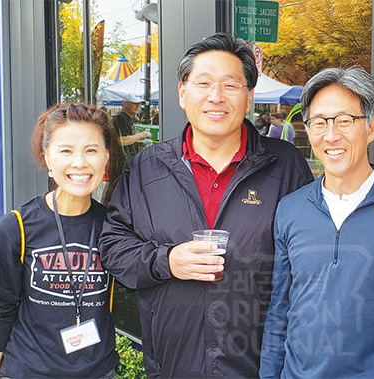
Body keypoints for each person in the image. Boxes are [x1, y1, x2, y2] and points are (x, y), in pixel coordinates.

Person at [99, 33, 313, 378]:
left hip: (261, 368)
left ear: (249, 98)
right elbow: (113, 246)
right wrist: (166, 260)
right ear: (183, 93)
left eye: (231, 85)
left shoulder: (285, 166)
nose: (216, 97)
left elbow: (310, 263)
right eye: (203, 84)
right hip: (171, 365)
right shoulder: (146, 167)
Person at [260, 67, 374, 379]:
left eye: (344, 121)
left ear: (371, 128)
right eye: (319, 123)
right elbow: (280, 308)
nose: (331, 136)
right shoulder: (290, 209)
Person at [0, 103, 119, 378]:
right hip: (27, 371)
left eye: (91, 150)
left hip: (98, 372)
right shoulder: (16, 227)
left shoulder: (114, 227)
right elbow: (1, 310)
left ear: (106, 157)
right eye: (66, 150)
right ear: (47, 157)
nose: (79, 162)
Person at [103, 93, 151, 203]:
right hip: (120, 164)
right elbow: (121, 141)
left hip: (128, 163)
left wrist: (139, 143)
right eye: (134, 104)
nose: (137, 106)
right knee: (117, 192)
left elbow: (127, 140)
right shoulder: (120, 119)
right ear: (125, 104)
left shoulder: (131, 120)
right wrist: (141, 135)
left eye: (138, 104)